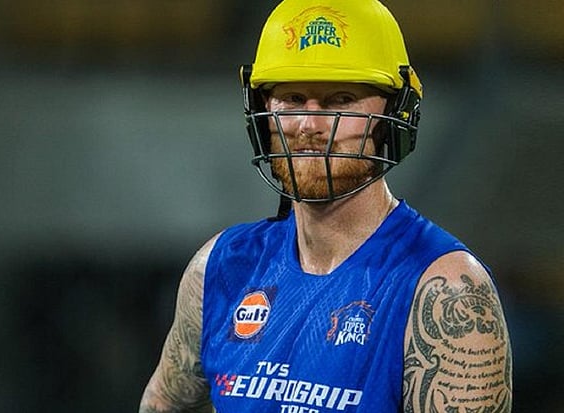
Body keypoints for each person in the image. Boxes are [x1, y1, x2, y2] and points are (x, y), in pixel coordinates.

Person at [139, 0, 513, 412]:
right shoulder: (219, 268)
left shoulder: (446, 292)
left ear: (395, 112)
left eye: (341, 98)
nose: (310, 126)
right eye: (293, 98)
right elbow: (164, 401)